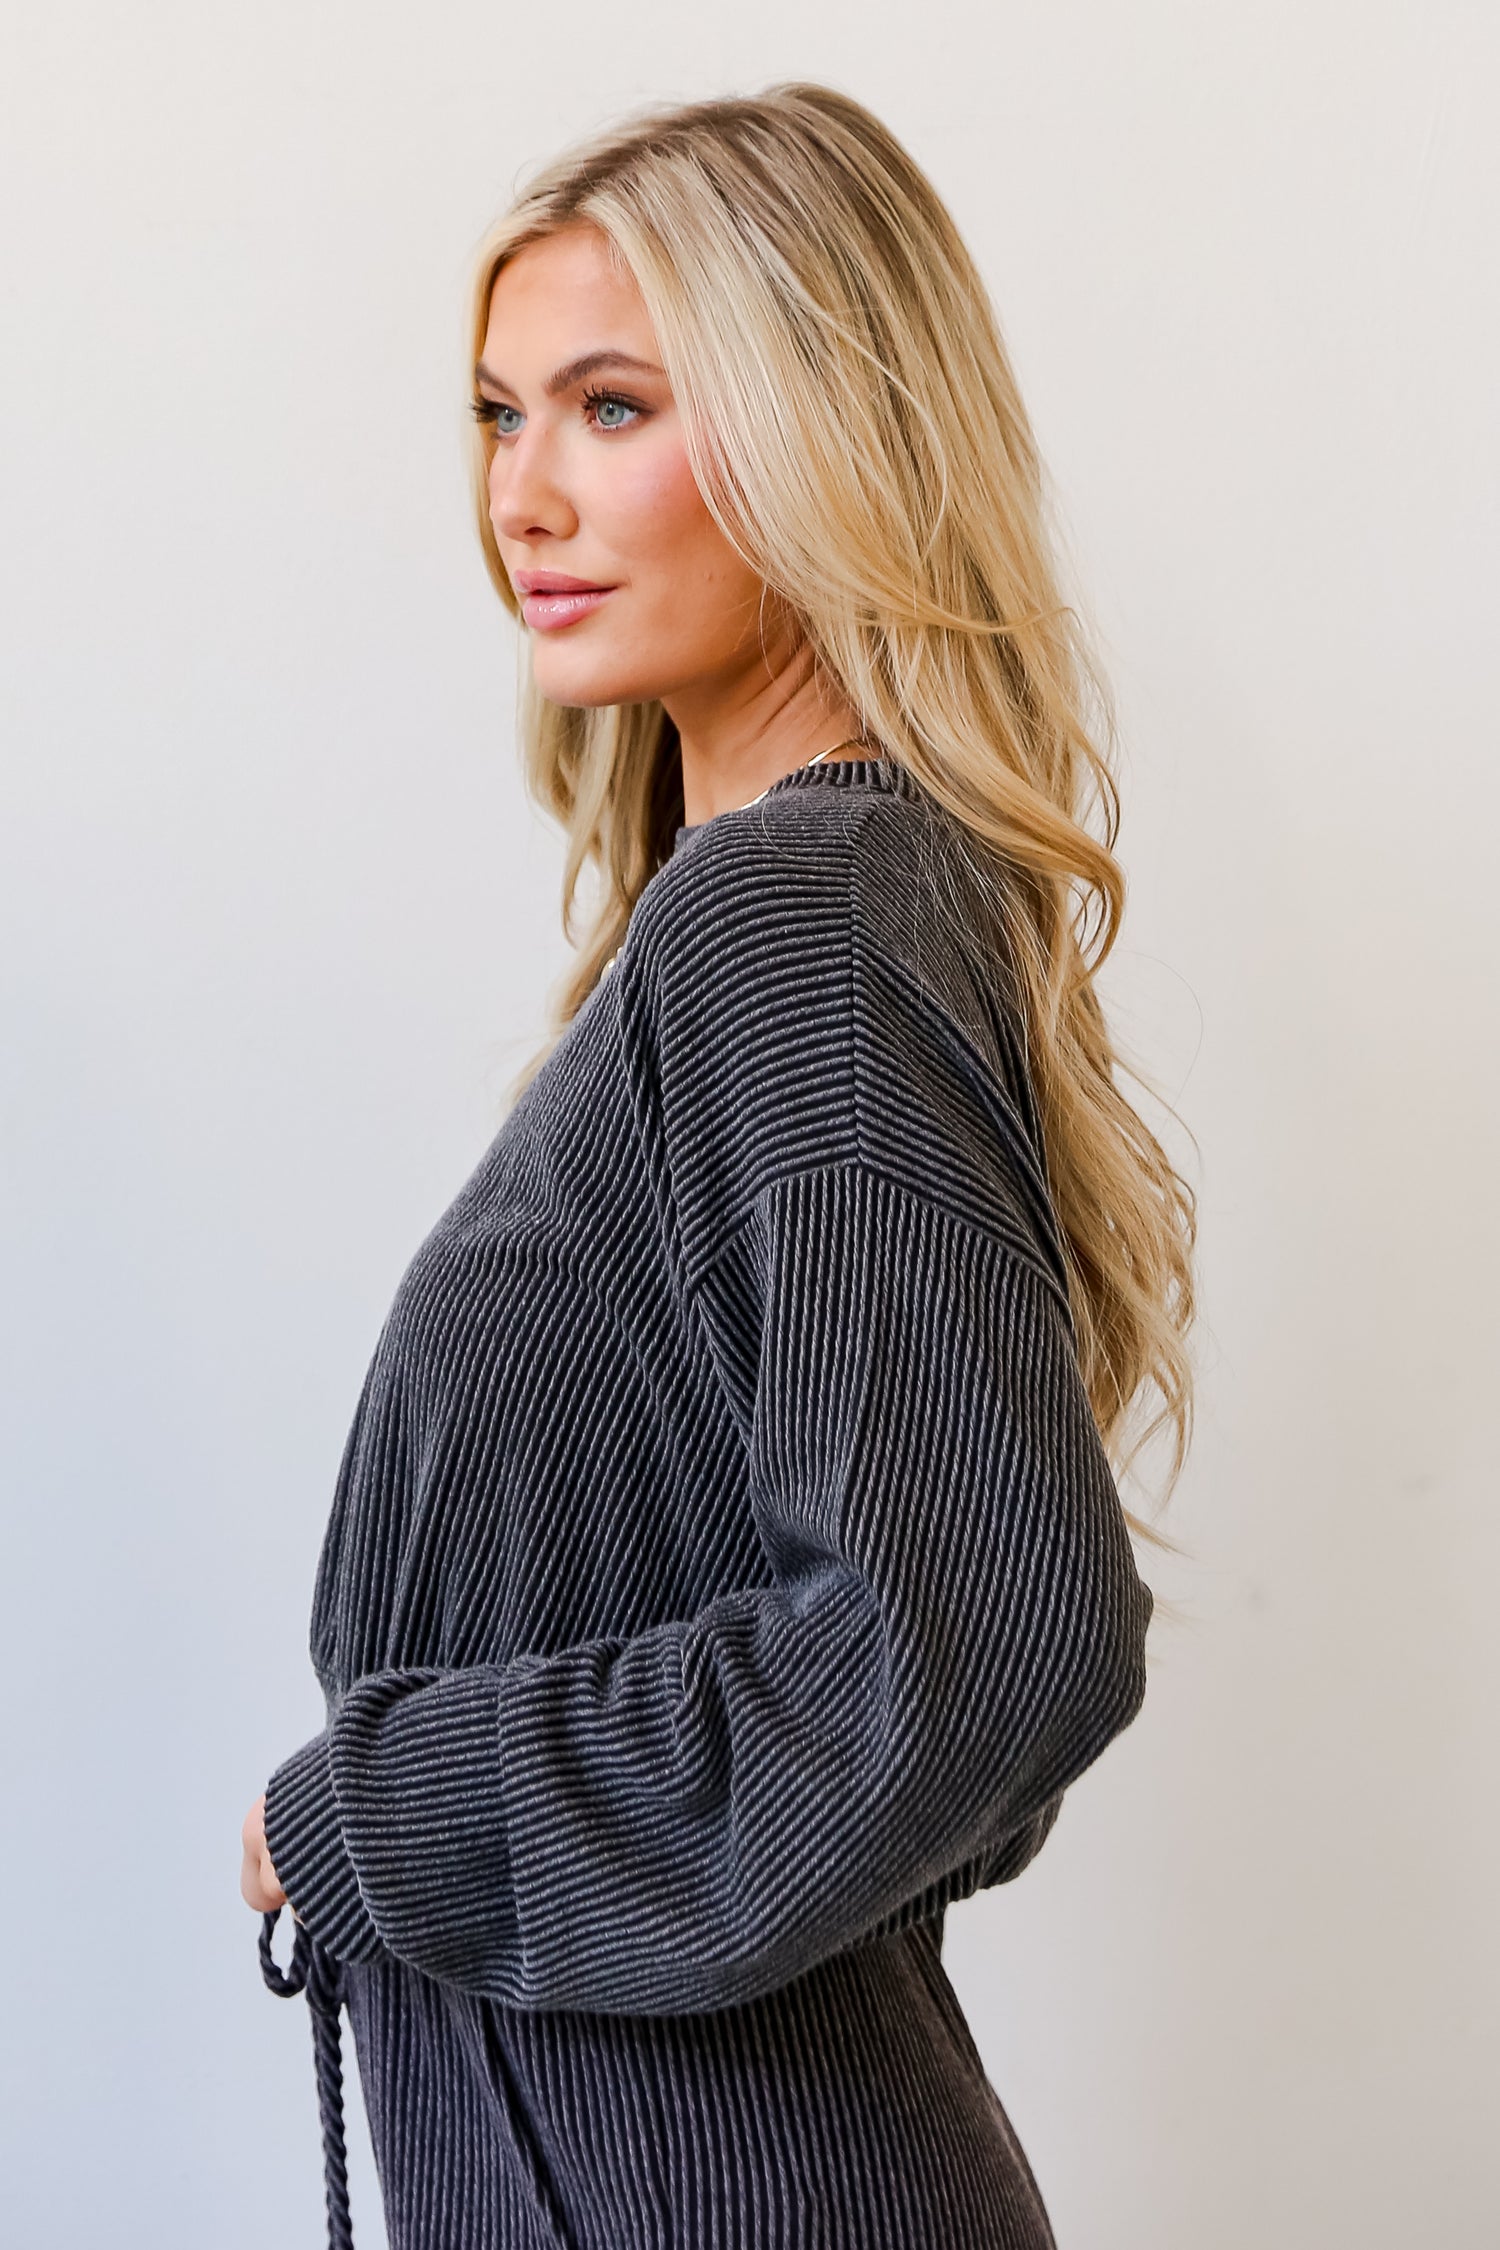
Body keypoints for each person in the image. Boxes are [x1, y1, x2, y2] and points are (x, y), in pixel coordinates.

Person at [240, 79, 1196, 2250]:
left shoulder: (797, 918)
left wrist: (395, 1810)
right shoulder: (772, 921)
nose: (525, 496)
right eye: (500, 416)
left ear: (823, 428)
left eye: (613, 408)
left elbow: (996, 1638)